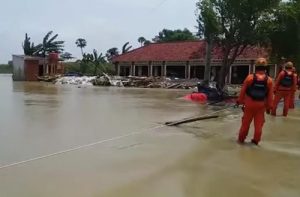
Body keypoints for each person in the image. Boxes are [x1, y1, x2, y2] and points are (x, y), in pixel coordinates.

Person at [236, 58, 273, 145]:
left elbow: (243, 91)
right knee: (259, 125)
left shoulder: (250, 78)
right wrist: (269, 107)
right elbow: (270, 96)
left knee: (245, 123)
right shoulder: (269, 80)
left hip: (249, 104)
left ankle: (241, 140)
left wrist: (239, 101)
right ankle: (255, 141)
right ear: (265, 68)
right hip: (261, 105)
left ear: (256, 67)